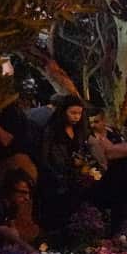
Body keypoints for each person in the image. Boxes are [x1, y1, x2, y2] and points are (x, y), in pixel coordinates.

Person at [39, 96, 93, 228]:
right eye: (73, 113)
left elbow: (83, 151)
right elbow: (44, 158)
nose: (76, 117)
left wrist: (82, 162)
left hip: (75, 179)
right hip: (56, 180)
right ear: (63, 112)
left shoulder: (80, 131)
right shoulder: (51, 131)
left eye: (79, 113)